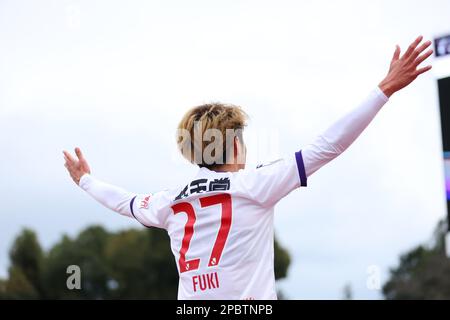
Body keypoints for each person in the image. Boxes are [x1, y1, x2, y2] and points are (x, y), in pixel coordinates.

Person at [63, 36, 433, 300]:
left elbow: (122, 202)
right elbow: (328, 146)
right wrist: (384, 89)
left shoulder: (168, 202)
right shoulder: (255, 184)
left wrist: (85, 181)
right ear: (235, 144)